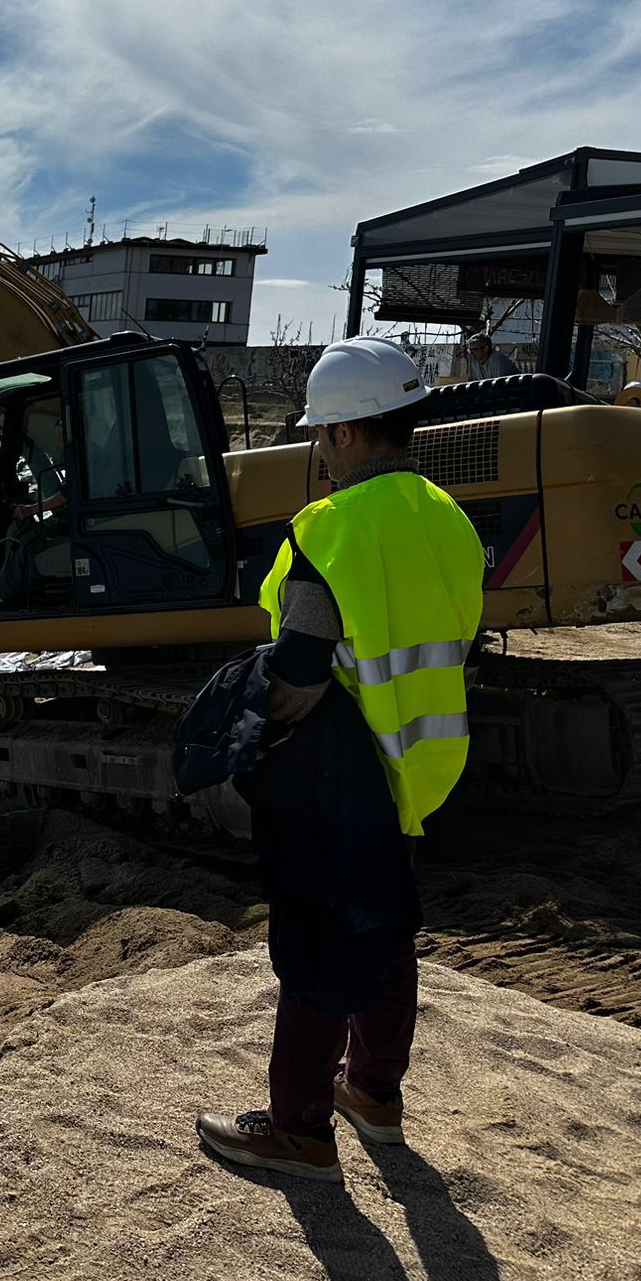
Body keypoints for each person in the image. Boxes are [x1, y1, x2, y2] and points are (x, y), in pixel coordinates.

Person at [197, 337, 486, 1183]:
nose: (322, 451)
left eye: (324, 435)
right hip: (417, 759)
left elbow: (299, 665)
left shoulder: (332, 528)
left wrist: (253, 722)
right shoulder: (450, 518)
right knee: (387, 923)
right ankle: (375, 1095)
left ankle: (298, 1130)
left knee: (321, 936)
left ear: (351, 433)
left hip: (338, 766)